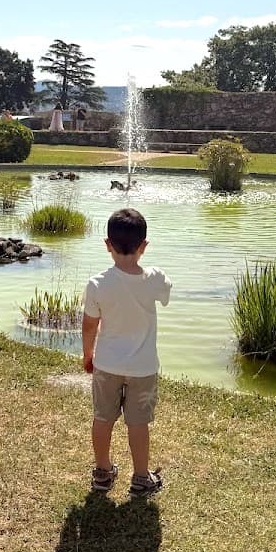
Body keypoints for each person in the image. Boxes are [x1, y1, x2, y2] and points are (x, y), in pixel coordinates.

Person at [81, 207, 171, 496]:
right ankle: (141, 478)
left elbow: (88, 326)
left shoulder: (97, 284)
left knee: (103, 418)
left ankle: (102, 472)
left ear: (107, 244)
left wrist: (87, 356)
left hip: (107, 365)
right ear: (144, 246)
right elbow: (166, 292)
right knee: (139, 423)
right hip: (143, 368)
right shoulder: (155, 278)